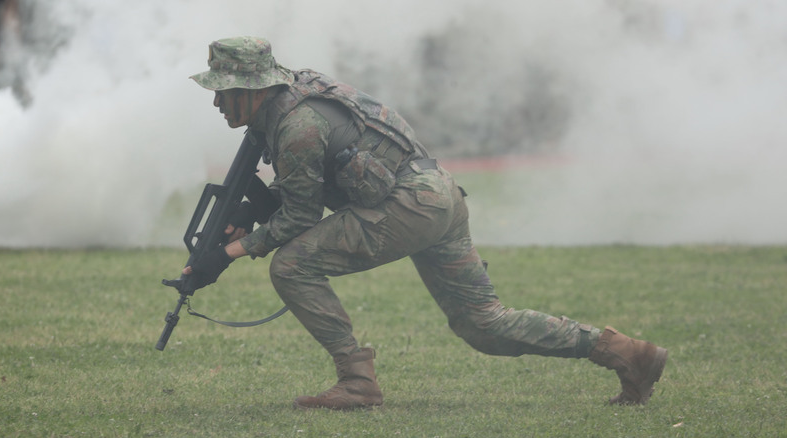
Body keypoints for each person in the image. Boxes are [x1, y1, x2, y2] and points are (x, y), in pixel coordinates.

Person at [183, 37, 668, 410]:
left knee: (291, 266)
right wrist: (247, 218)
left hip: (408, 206)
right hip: (437, 195)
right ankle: (627, 353)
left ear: (253, 88)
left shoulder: (297, 127)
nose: (217, 103)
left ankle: (357, 381)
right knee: (483, 325)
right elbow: (302, 192)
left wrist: (225, 256)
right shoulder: (299, 93)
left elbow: (301, 217)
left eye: (224, 92)